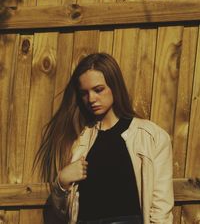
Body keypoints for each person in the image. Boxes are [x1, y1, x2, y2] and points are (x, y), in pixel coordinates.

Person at [34, 53, 174, 224]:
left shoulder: (152, 137)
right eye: (84, 93)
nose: (91, 99)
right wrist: (62, 183)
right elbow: (60, 215)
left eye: (98, 89)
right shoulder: (78, 141)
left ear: (114, 86)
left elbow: (161, 210)